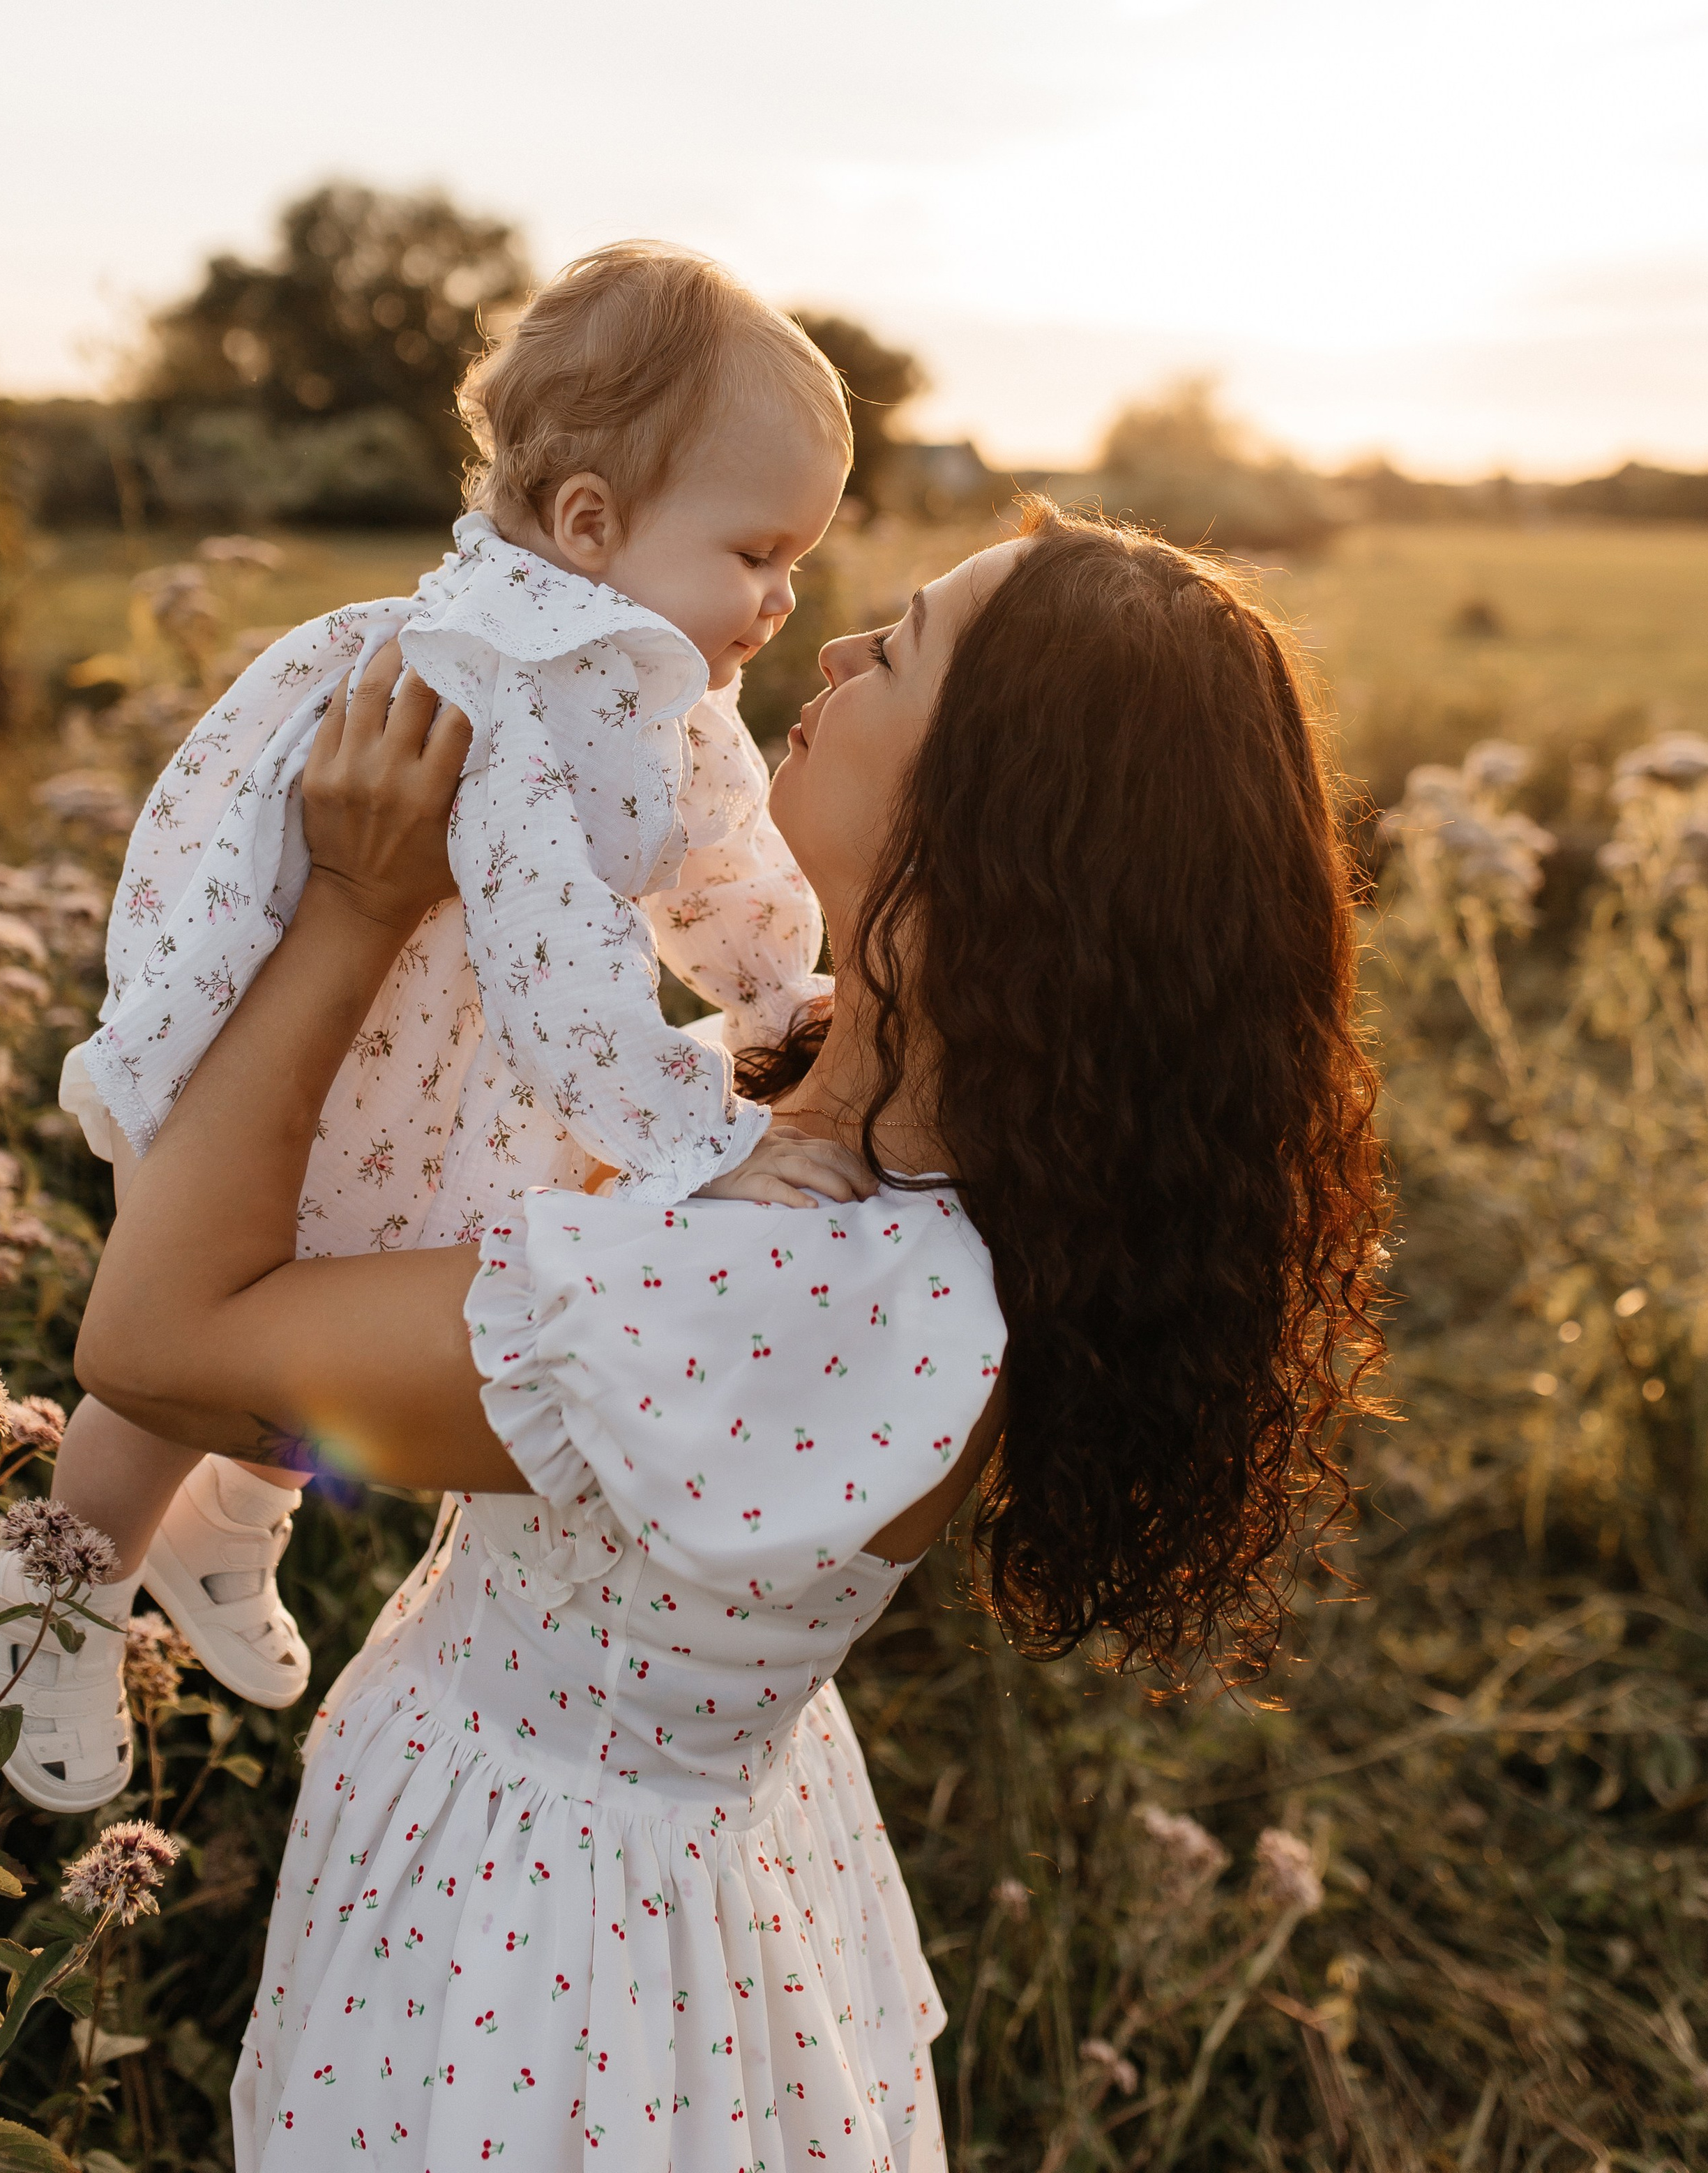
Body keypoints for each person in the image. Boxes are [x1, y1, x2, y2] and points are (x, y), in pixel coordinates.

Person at [77, 503, 1388, 2173]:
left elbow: (157, 1336)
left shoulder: (798, 1280)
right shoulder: (806, 1112)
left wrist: (344, 906)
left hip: (543, 1970)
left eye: (898, 648)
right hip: (609, 1869)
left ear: (987, 823)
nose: (833, 649)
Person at [0, 243, 858, 1812]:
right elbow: (555, 954)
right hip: (305, 1043)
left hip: (422, 1068)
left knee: (351, 1286)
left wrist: (779, 993)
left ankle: (231, 1521)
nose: (785, 598)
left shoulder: (655, 677)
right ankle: (58, 1583)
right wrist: (690, 1142)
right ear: (590, 521)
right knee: (216, 1307)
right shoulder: (494, 674)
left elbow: (724, 850)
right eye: (759, 551)